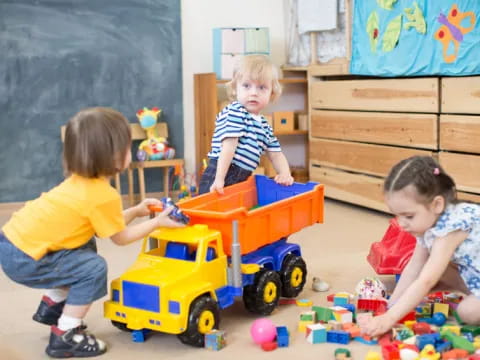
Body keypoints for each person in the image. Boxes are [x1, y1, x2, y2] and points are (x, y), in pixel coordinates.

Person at [0, 107, 184, 358]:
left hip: (12, 243)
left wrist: (138, 211)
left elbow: (106, 226)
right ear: (113, 156)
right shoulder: (103, 195)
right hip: (25, 259)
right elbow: (121, 238)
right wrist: (157, 223)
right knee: (93, 268)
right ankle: (66, 334)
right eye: (128, 147)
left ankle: (54, 305)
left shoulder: (81, 183)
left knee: (85, 244)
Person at [365, 155, 480, 337]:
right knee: (427, 267)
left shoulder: (449, 229)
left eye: (408, 216)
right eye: (397, 215)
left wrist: (390, 318)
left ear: (437, 204)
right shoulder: (428, 223)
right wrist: (390, 307)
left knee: (467, 312)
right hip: (473, 271)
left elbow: (426, 280)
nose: (401, 224)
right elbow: (414, 267)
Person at [199, 54, 294, 195]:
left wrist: (285, 174)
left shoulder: (264, 126)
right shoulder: (236, 112)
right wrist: (219, 179)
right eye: (246, 86)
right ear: (235, 88)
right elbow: (228, 147)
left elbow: (276, 154)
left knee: (233, 214)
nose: (254, 93)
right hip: (222, 171)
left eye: (262, 87)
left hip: (242, 176)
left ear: (271, 93)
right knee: (211, 212)